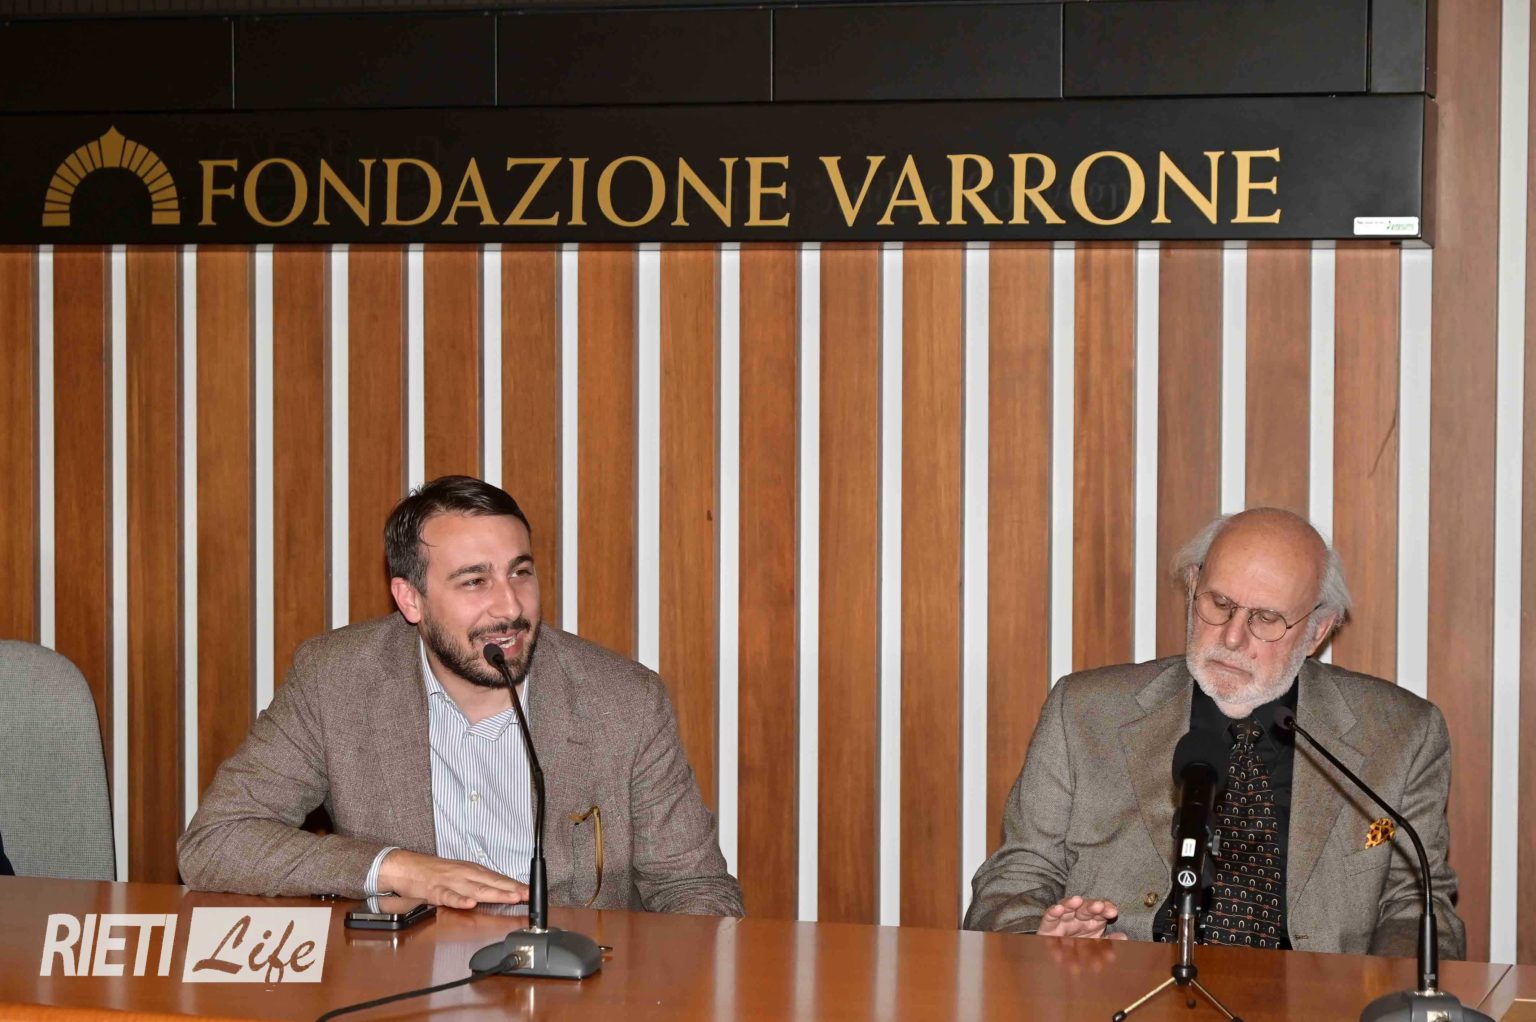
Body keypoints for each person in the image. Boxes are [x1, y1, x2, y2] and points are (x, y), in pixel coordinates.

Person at [179, 475, 743, 917]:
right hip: (404, 991)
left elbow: (696, 890)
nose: (510, 607)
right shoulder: (337, 680)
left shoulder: (622, 701)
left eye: (520, 573)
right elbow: (216, 842)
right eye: (475, 581)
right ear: (411, 599)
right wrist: (399, 868)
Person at [964, 508, 1465, 958]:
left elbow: (1417, 906)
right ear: (1192, 585)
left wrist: (1383, 1002)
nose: (1232, 636)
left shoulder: (1400, 734)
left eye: (1266, 618)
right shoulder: (1084, 711)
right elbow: (1015, 878)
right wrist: (1040, 943)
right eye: (1220, 603)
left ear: (1317, 630)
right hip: (1119, 994)